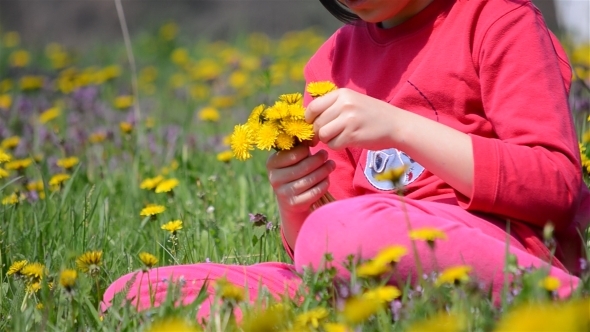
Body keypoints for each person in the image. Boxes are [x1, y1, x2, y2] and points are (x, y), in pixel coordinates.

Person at [102, 0, 590, 319]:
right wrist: (295, 202)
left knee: (348, 231)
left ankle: (561, 302)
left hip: (489, 246)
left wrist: (400, 127)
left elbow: (555, 188)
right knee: (133, 293)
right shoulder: (331, 62)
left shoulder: (497, 19)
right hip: (364, 272)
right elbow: (319, 253)